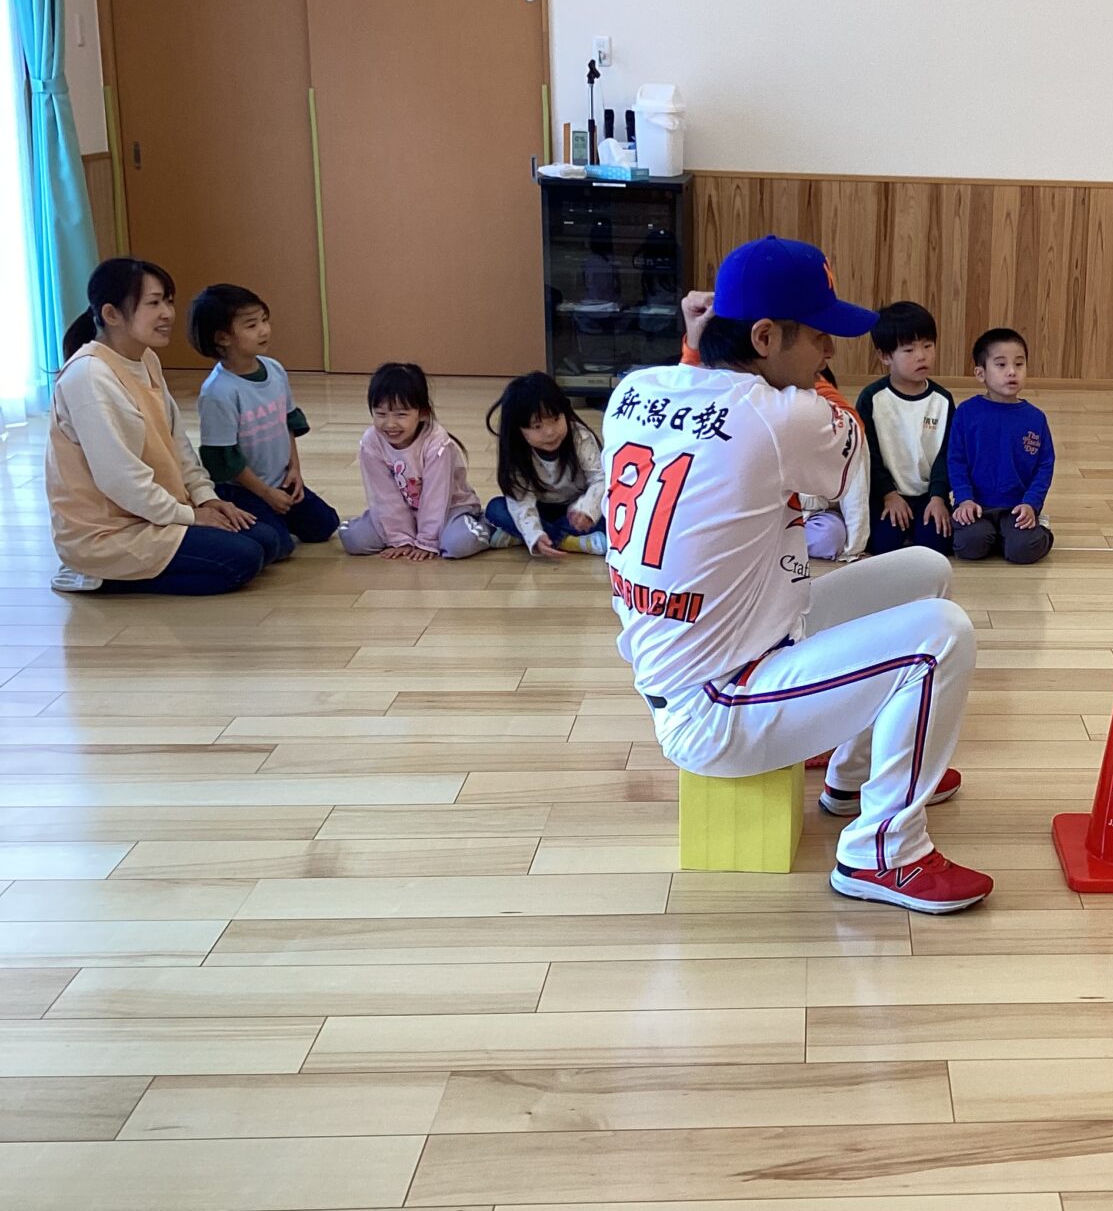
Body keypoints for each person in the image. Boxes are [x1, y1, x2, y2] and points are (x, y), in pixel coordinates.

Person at [604, 235, 990, 914]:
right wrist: (788, 383)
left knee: (925, 571)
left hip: (733, 647)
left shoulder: (635, 390)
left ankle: (854, 774)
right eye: (817, 336)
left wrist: (697, 347)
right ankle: (884, 853)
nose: (829, 353)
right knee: (941, 636)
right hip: (719, 706)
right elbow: (849, 441)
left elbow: (713, 400)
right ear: (763, 336)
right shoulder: (777, 417)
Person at [46, 258, 278, 595]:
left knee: (268, 540)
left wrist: (205, 499)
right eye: (154, 303)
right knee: (242, 560)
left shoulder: (146, 358)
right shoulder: (89, 377)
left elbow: (177, 443)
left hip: (156, 513)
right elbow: (120, 480)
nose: (168, 313)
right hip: (110, 533)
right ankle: (96, 574)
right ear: (111, 314)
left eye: (168, 301)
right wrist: (191, 517)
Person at [188, 283, 340, 559]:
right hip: (242, 490)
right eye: (251, 325)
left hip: (280, 480)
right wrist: (266, 494)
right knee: (280, 547)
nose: (264, 330)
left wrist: (295, 470)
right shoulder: (218, 392)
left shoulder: (275, 370)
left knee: (325, 525)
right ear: (223, 337)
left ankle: (275, 517)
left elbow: (288, 422)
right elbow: (225, 461)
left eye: (264, 320)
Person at [339, 363, 496, 559]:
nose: (390, 424)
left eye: (401, 415)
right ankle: (405, 531)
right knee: (354, 540)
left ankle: (488, 524)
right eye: (380, 414)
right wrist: (400, 539)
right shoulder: (371, 442)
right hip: (403, 513)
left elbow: (436, 497)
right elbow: (383, 495)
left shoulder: (437, 443)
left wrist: (427, 541)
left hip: (449, 509)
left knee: (458, 544)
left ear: (423, 413)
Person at [951, 328, 1056, 564]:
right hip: (976, 506)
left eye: (1019, 364)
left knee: (1024, 550)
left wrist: (1031, 503)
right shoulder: (966, 413)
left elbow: (1044, 466)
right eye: (1001, 365)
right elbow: (956, 460)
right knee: (969, 545)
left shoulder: (1035, 418)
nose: (1011, 371)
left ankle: (1034, 531)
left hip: (1016, 507)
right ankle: (996, 536)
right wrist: (964, 499)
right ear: (980, 373)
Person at [857, 301, 954, 556]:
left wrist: (938, 497)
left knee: (937, 545)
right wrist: (888, 494)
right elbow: (867, 454)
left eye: (928, 346)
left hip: (927, 496)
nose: (921, 356)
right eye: (909, 350)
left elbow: (947, 455)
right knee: (882, 544)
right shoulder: (872, 399)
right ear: (885, 356)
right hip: (887, 493)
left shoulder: (942, 400)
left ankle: (918, 525)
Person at [483, 371, 608, 557]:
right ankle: (568, 542)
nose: (550, 432)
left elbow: (600, 478)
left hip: (576, 508)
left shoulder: (579, 437)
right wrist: (534, 534)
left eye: (556, 419)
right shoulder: (517, 452)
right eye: (537, 426)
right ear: (519, 430)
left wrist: (587, 509)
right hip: (539, 507)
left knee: (613, 513)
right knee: (496, 509)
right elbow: (521, 500)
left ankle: (526, 536)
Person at [797, 367, 871, 561]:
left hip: (817, 516)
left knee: (830, 536)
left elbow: (856, 496)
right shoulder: (773, 416)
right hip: (771, 515)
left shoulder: (846, 428)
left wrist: (854, 548)